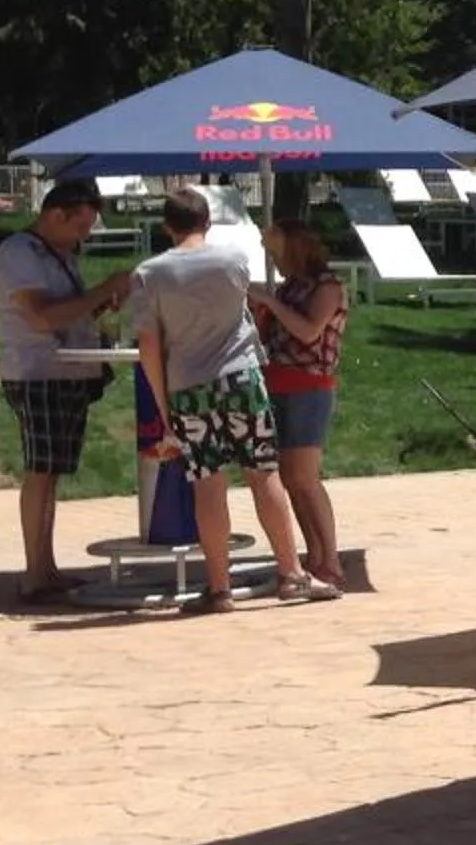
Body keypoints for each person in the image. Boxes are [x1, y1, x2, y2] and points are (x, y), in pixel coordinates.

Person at [130, 186, 333, 611]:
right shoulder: (234, 262)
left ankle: (219, 588)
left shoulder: (149, 275)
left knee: (208, 485)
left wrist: (166, 410)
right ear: (207, 222)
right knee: (264, 473)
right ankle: (292, 574)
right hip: (241, 378)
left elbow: (149, 345)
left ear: (166, 226)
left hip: (189, 386)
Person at [0, 178, 135, 601]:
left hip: (66, 372)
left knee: (51, 472)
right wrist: (103, 290)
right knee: (41, 470)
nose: (84, 236)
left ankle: (45, 569)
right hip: (38, 374)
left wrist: (99, 305)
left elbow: (69, 310)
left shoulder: (57, 254)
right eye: (80, 227)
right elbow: (41, 317)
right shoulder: (20, 254)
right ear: (56, 214)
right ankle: (35, 572)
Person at [249, 216, 349, 589]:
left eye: (277, 252)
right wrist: (263, 311)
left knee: (305, 476)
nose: (275, 261)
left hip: (310, 386)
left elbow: (309, 330)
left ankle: (331, 558)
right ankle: (314, 555)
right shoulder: (292, 286)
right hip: (279, 382)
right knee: (290, 478)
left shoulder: (327, 286)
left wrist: (271, 302)